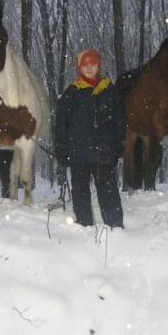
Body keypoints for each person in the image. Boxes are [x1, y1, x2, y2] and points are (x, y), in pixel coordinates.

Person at [55, 48, 126, 228]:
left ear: (98, 66)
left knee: (108, 191)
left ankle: (116, 227)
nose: (89, 68)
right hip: (79, 153)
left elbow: (120, 119)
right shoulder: (71, 93)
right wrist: (61, 150)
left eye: (93, 64)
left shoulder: (109, 90)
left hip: (104, 152)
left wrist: (119, 144)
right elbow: (61, 124)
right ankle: (84, 225)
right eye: (85, 65)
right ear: (79, 67)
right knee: (80, 191)